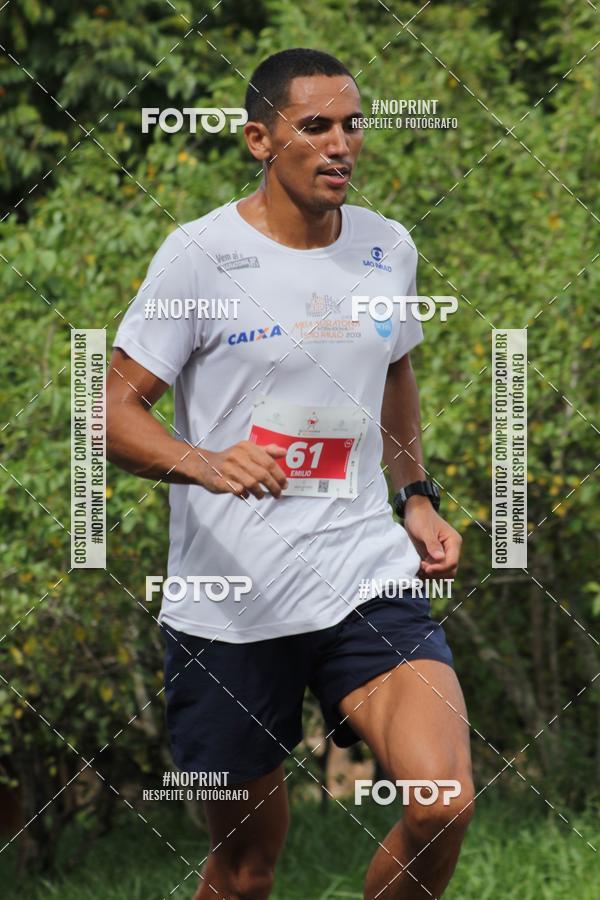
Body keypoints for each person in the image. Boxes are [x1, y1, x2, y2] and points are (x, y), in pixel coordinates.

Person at [107, 47, 474, 900]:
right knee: (244, 875)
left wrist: (415, 496)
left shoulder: (388, 247)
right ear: (259, 140)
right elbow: (112, 414)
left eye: (352, 124)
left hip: (363, 576)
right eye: (315, 127)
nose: (340, 143)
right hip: (232, 605)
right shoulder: (198, 256)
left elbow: (393, 369)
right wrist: (205, 462)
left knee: (443, 802)